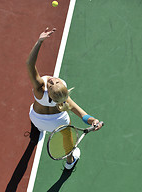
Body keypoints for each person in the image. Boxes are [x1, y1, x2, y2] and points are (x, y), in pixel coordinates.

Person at [27, 27, 103, 170]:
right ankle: (70, 161)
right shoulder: (62, 97)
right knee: (68, 142)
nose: (53, 81)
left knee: (34, 116)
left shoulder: (39, 89)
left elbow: (29, 64)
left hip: (36, 119)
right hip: (58, 124)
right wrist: (93, 121)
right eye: (54, 83)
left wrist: (39, 42)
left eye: (54, 84)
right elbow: (81, 113)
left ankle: (35, 133)